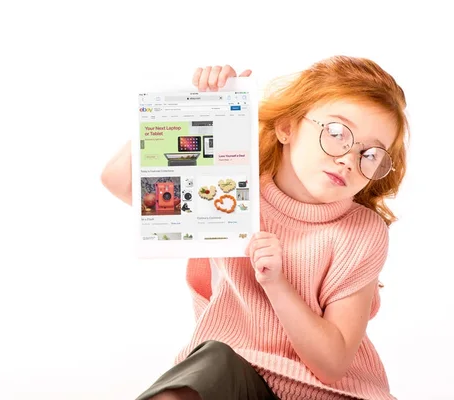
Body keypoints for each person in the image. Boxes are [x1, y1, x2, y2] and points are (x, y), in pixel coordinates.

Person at [101, 56, 408, 400]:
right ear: (287, 127)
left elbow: (332, 364)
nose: (349, 160)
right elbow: (117, 180)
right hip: (235, 381)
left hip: (328, 393)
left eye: (370, 155)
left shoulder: (360, 232)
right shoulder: (230, 195)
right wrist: (192, 107)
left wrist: (276, 284)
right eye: (336, 133)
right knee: (206, 365)